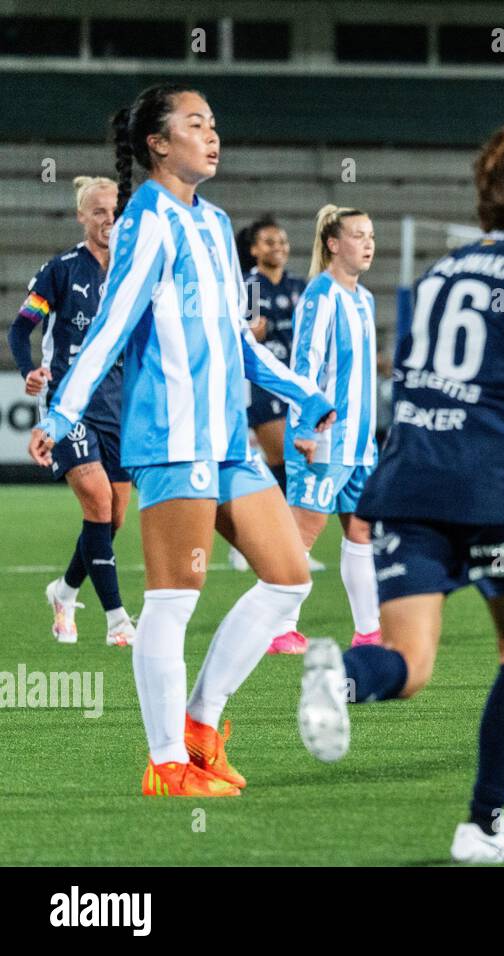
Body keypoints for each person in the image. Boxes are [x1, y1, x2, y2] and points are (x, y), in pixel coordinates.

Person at [297, 123, 504, 864]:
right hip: (498, 486)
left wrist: (378, 483)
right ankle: (482, 825)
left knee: (408, 662)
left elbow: (412, 380)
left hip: (411, 478)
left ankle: (340, 672)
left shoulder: (437, 274)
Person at [28, 83, 335, 798]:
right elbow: (109, 328)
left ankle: (201, 726)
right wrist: (60, 413)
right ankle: (166, 764)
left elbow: (234, 339)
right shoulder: (146, 220)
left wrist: (302, 393)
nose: (212, 133)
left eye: (214, 123)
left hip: (227, 437)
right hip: (170, 437)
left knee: (289, 575)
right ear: (159, 144)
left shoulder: (215, 221)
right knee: (174, 598)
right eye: (195, 123)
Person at [8, 176, 136, 647]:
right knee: (99, 504)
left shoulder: (133, 273)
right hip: (68, 403)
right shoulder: (60, 270)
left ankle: (63, 592)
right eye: (99, 212)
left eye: (115, 212)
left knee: (114, 518)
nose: (109, 221)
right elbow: (20, 331)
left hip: (119, 404)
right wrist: (30, 371)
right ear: (82, 216)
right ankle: (118, 621)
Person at [267, 205, 380, 656]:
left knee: (361, 532)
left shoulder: (364, 298)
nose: (369, 243)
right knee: (302, 535)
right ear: (333, 243)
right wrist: (305, 430)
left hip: (359, 445)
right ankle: (279, 628)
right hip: (325, 440)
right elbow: (304, 366)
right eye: (358, 235)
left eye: (371, 235)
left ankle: (369, 631)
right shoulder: (321, 293)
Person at [228, 215, 323, 573]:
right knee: (284, 461)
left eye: (281, 241)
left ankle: (284, 544)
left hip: (294, 383)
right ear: (254, 250)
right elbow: (249, 333)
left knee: (287, 465)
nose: (278, 247)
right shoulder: (250, 286)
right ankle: (256, 544)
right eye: (269, 242)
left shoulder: (300, 286)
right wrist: (256, 329)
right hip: (263, 386)